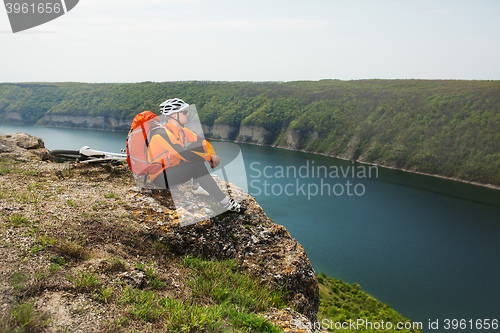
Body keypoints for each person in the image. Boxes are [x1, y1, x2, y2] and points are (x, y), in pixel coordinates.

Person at [146, 98, 245, 213]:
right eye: (184, 112)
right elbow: (184, 155)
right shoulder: (162, 133)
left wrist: (212, 155)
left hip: (174, 168)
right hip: (160, 177)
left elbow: (203, 142)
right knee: (196, 165)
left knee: (197, 145)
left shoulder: (181, 131)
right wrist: (208, 157)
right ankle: (225, 203)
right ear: (174, 115)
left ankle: (196, 187)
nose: (187, 114)